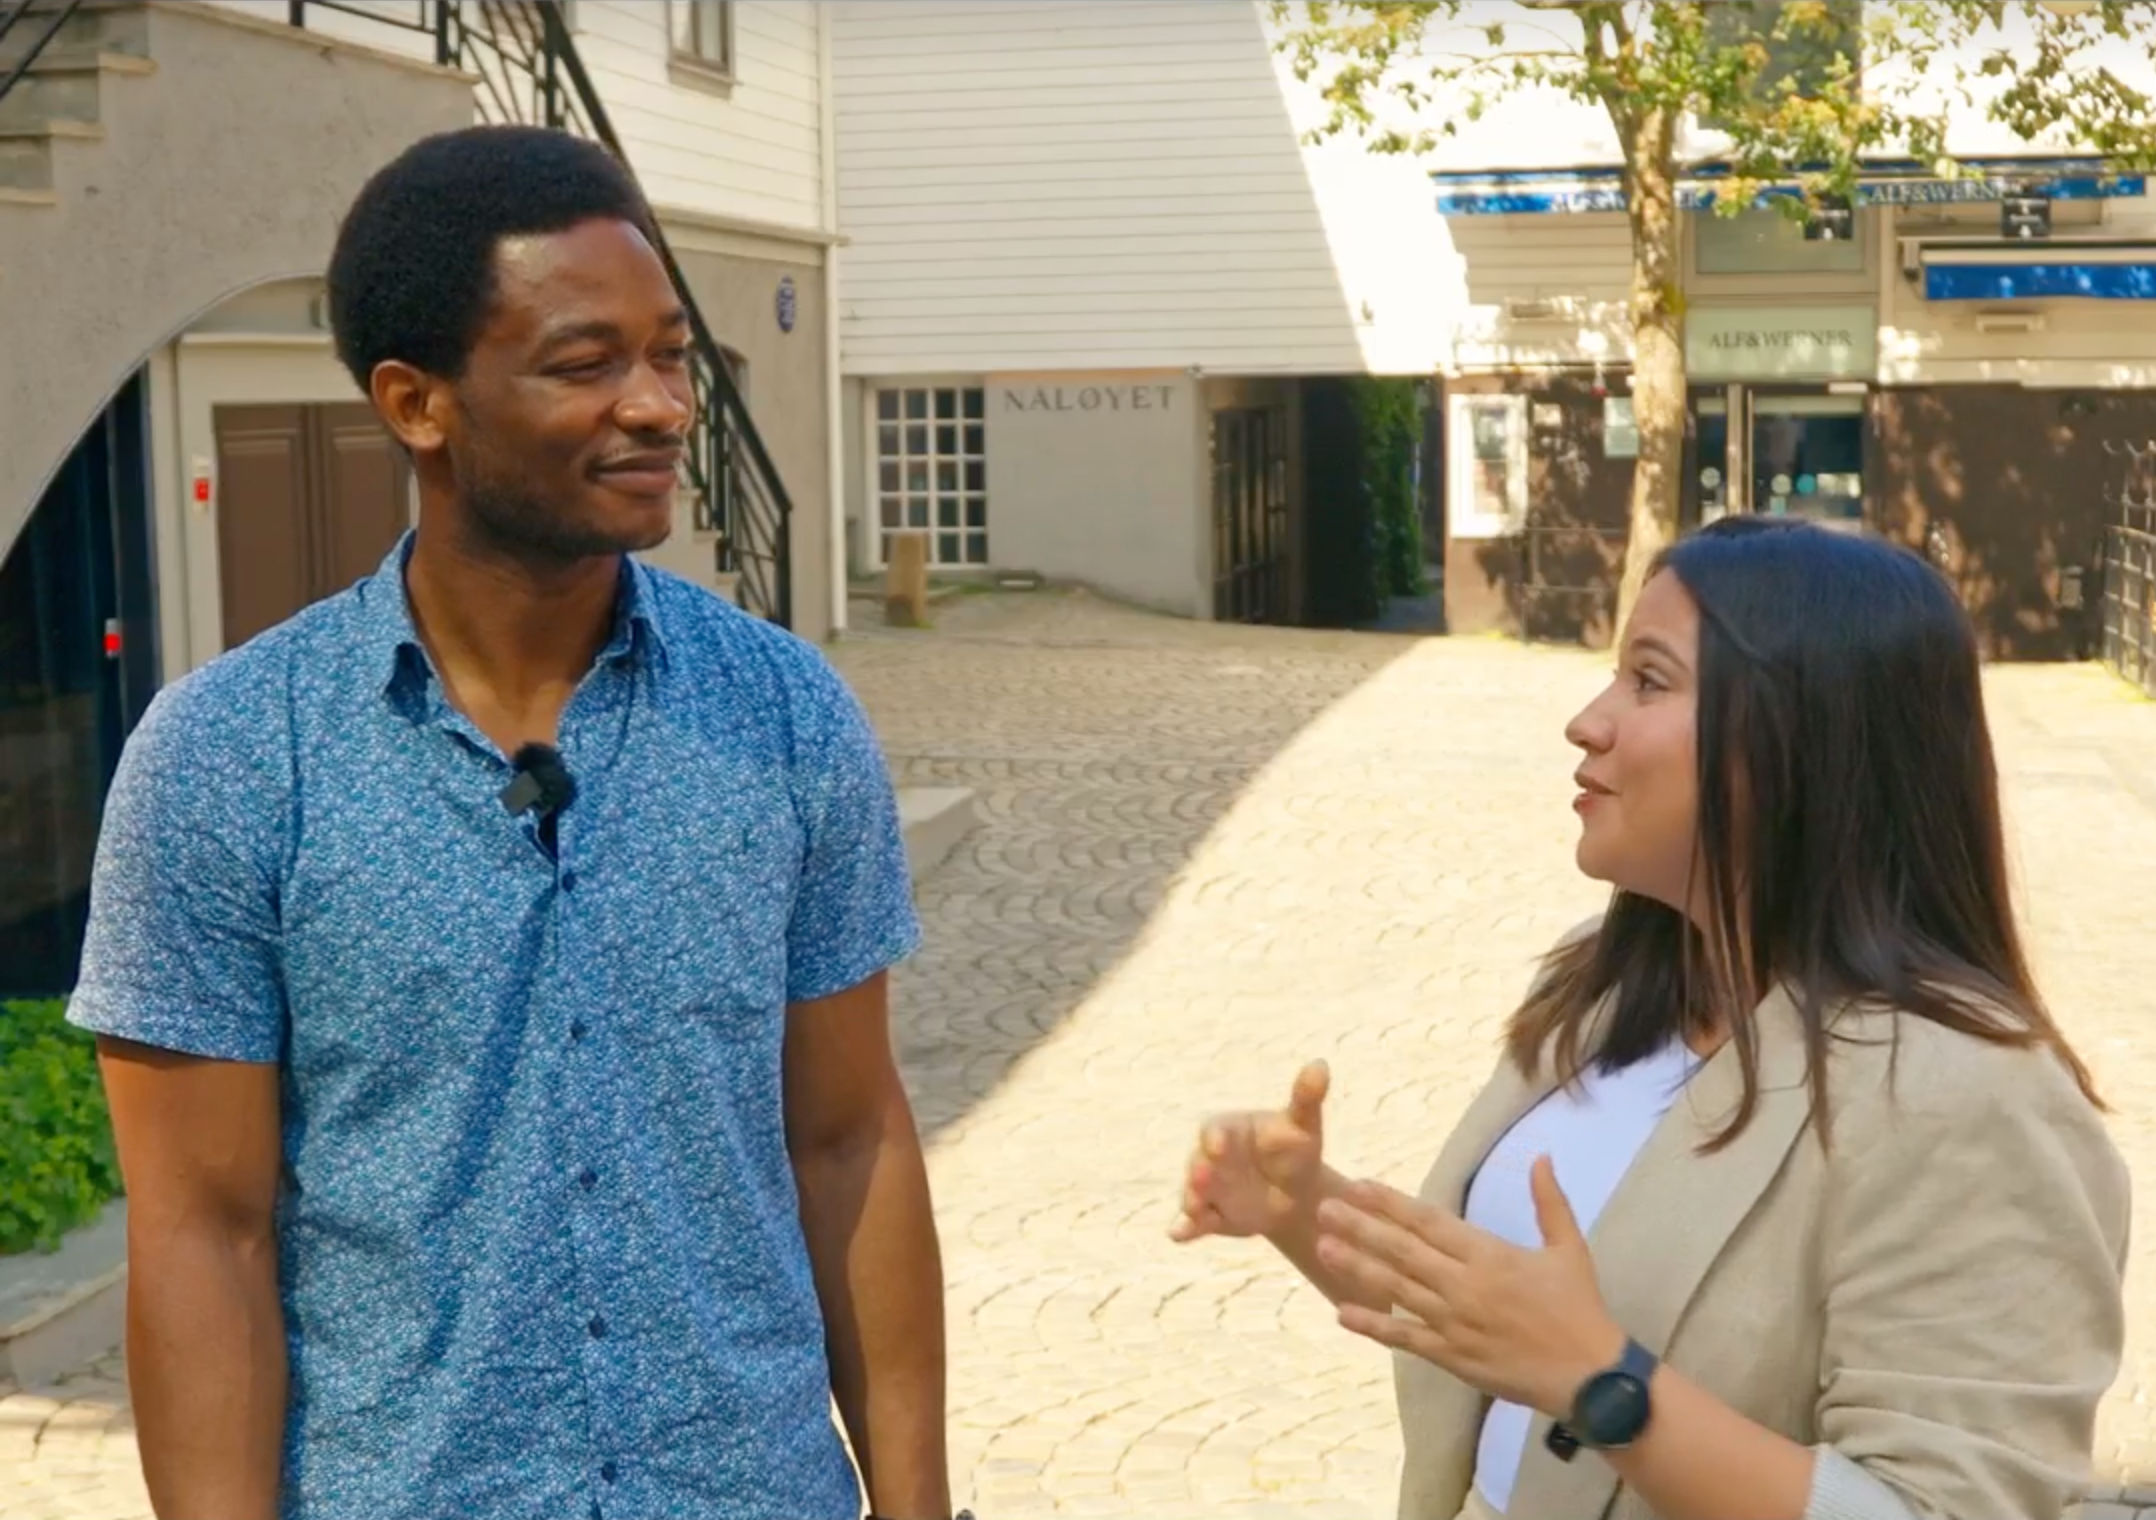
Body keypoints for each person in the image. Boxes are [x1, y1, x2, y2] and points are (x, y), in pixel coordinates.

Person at [70, 125, 957, 1520]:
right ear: (417, 403)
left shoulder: (787, 718)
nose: (659, 404)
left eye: (670, 353)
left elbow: (849, 1143)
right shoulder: (228, 760)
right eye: (585, 363)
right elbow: (204, 1237)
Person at [1172, 516, 2131, 1520]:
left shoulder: (1968, 1096)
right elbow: (1494, 1326)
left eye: (1648, 681)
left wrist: (1602, 1384)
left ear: (1797, 739)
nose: (1586, 722)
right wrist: (1304, 1209)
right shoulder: (1611, 987)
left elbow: (1943, 1505)